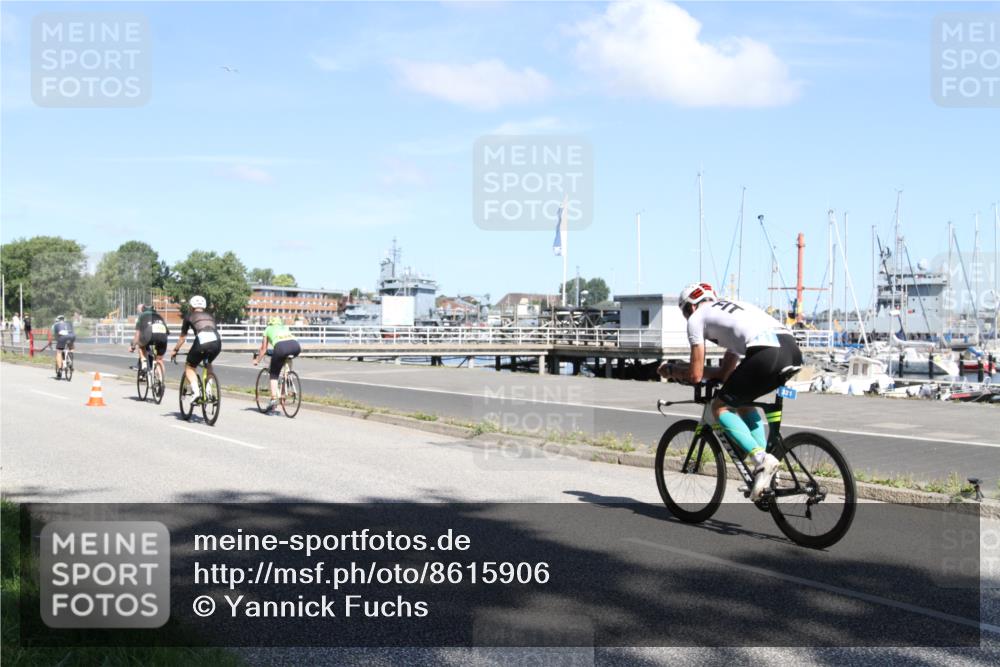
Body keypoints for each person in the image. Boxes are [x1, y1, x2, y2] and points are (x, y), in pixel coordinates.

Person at [659, 283, 802, 500]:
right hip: (791, 350)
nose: (687, 317)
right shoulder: (732, 309)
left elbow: (696, 376)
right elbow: (725, 373)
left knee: (720, 407)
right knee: (741, 402)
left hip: (767, 353)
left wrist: (673, 370)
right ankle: (765, 471)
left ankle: (762, 460)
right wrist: (685, 369)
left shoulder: (697, 318)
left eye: (685, 312)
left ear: (691, 307)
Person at [170, 296, 221, 402]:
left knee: (189, 366)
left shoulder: (189, 316)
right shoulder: (210, 316)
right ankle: (209, 390)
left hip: (202, 342)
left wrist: (175, 350)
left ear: (191, 307)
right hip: (217, 342)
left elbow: (182, 338)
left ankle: (196, 392)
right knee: (208, 363)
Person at [253, 316, 302, 411]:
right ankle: (285, 389)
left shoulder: (267, 329)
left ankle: (273, 399)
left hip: (281, 348)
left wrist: (257, 360)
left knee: (274, 374)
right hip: (296, 347)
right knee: (286, 371)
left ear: (269, 323)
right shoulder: (284, 327)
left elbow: (263, 349)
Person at [130, 303, 170, 379]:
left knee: (141, 346)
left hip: (149, 336)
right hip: (162, 336)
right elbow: (167, 332)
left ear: (143, 310)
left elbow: (137, 334)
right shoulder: (159, 316)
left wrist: (133, 346)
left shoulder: (142, 316)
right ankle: (161, 381)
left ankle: (144, 365)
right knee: (159, 359)